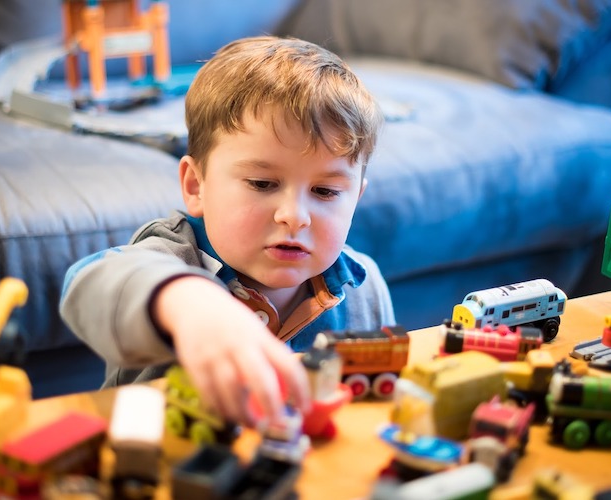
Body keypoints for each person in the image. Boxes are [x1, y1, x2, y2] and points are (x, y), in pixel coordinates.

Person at [60, 35, 396, 427]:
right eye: (262, 183)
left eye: (325, 191)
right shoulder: (170, 256)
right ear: (196, 186)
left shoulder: (364, 286)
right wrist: (186, 302)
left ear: (355, 198)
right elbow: (86, 286)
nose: (294, 216)